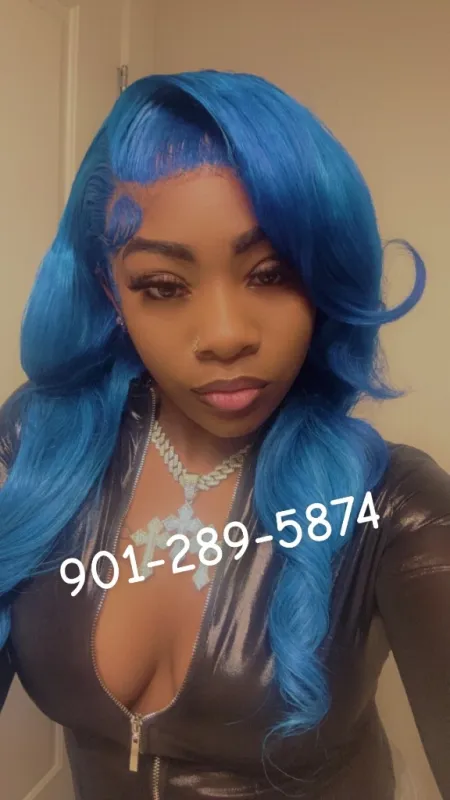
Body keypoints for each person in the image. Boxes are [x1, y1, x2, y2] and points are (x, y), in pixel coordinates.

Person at [0, 69, 449, 800]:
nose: (225, 335)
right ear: (112, 290)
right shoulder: (36, 447)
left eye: (270, 274)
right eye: (164, 286)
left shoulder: (394, 508)